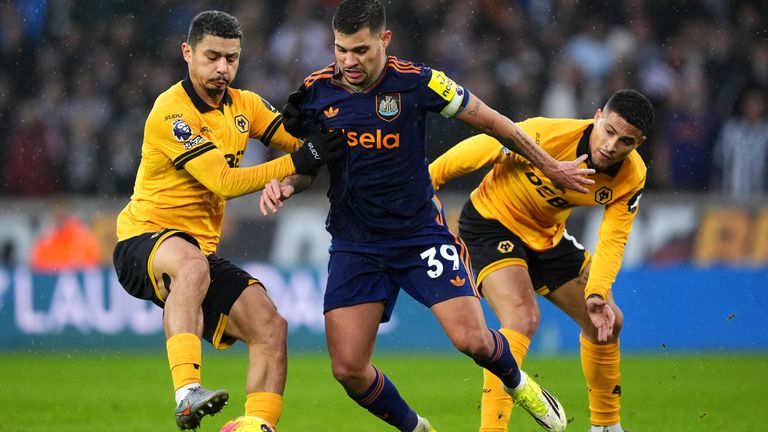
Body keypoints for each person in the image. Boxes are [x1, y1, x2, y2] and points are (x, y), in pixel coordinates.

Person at [259, 1, 596, 431]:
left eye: (360, 50)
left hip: (419, 235)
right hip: (355, 242)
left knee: (472, 340)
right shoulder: (317, 92)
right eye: (340, 49)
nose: (348, 61)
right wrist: (286, 184)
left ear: (384, 40)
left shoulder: (418, 82)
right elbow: (307, 165)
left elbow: (497, 124)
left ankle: (518, 384)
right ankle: (417, 428)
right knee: (347, 369)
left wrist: (550, 165)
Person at [112, 10, 343, 431]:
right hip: (143, 239)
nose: (223, 68)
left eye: (231, 58)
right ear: (187, 52)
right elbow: (224, 182)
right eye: (212, 56)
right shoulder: (172, 112)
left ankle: (259, 425)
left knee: (270, 326)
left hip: (196, 252)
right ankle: (187, 394)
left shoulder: (246, 106)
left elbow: (309, 151)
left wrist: (303, 168)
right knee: (192, 265)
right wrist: (295, 161)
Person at [428, 89, 654, 432]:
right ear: (596, 117)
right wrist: (427, 181)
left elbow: (613, 237)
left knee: (608, 321)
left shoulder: (631, 175)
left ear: (638, 144)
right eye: (609, 131)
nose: (611, 146)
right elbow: (485, 147)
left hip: (546, 236)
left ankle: (606, 427)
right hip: (491, 222)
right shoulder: (546, 133)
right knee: (522, 318)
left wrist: (597, 291)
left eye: (626, 141)